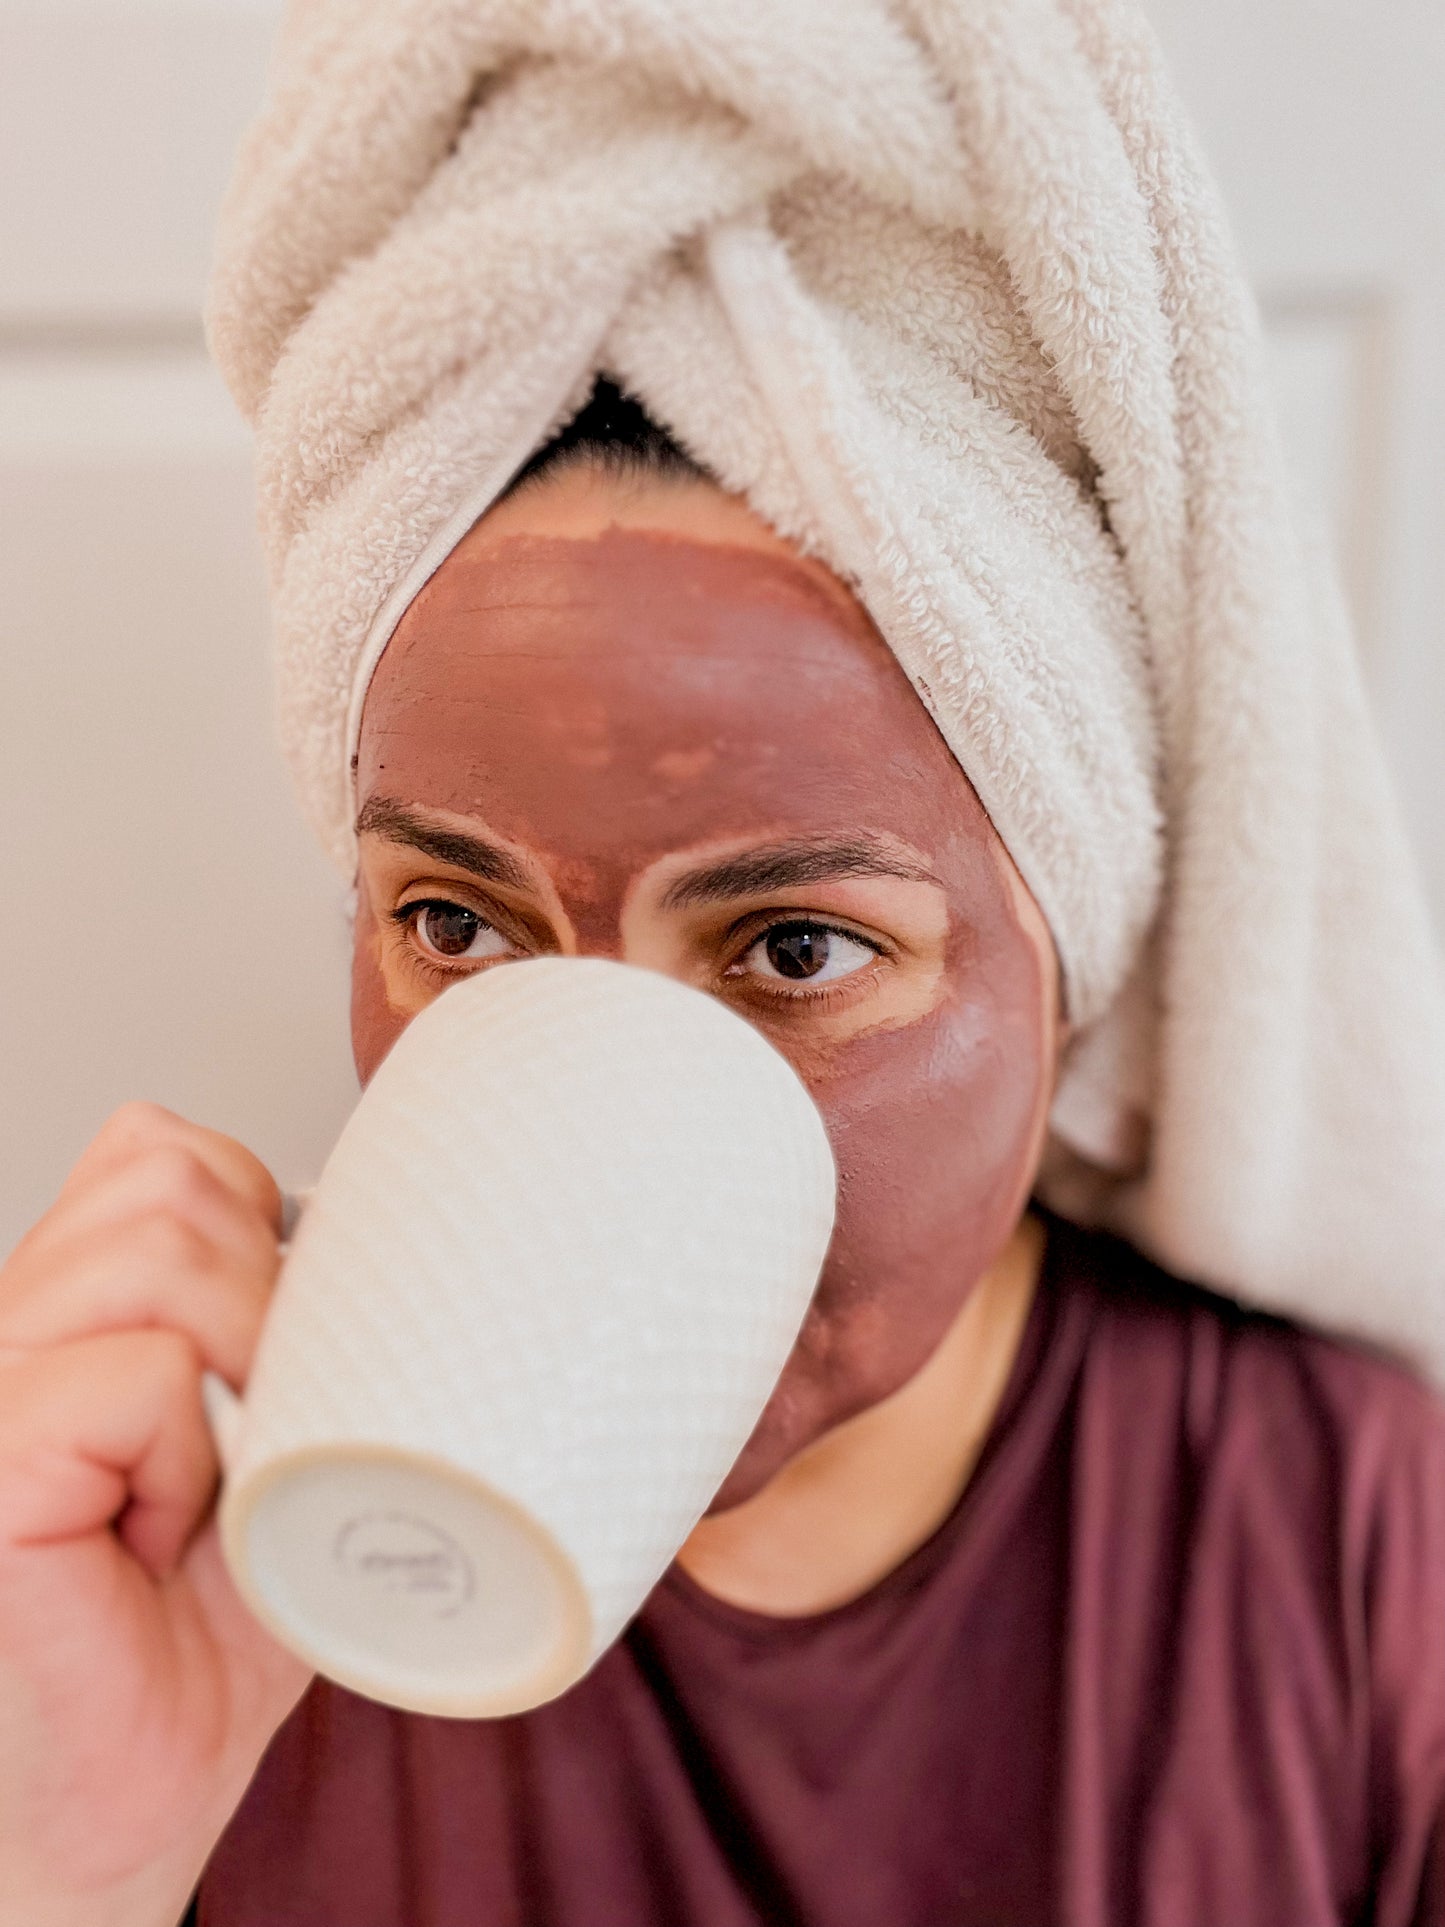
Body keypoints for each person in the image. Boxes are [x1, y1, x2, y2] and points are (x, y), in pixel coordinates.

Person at [5, 1, 1445, 1923]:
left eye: (790, 945)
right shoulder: (175, 1575)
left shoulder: (1345, 1542)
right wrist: (67, 1858)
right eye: (453, 923)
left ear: (1067, 968)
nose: (599, 1105)